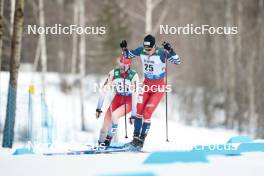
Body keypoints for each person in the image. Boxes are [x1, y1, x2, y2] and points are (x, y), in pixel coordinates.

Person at [120, 34, 181, 150]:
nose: (147, 52)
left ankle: (141, 141)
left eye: (149, 49)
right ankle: (135, 140)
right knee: (138, 110)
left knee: (147, 113)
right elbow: (128, 55)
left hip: (158, 87)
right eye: (146, 49)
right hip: (146, 85)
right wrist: (124, 49)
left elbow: (177, 61)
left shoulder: (162, 53)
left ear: (154, 47)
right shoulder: (141, 51)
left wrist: (171, 51)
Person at [96, 56, 139, 146]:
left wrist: (133, 115)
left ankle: (108, 140)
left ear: (129, 65)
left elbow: (135, 95)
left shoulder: (133, 75)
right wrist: (98, 108)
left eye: (125, 65)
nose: (123, 66)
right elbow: (104, 90)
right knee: (105, 125)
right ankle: (100, 143)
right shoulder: (113, 73)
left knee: (115, 115)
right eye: (121, 63)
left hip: (128, 101)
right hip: (117, 98)